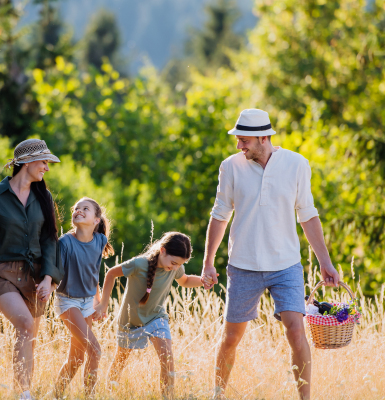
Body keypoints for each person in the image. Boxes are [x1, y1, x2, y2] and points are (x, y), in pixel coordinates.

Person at [201, 109, 340, 400]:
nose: (239, 146)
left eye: (244, 140)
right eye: (238, 140)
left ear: (264, 137)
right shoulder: (231, 167)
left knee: (295, 330)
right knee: (230, 339)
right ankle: (216, 395)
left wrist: (325, 263)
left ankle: (305, 398)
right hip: (243, 265)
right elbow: (219, 215)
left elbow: (308, 215)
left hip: (286, 265)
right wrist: (208, 262)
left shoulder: (297, 164)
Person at [0, 139, 63, 400]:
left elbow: (49, 240)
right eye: (43, 161)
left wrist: (47, 279)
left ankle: (23, 390)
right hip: (0, 272)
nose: (46, 167)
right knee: (23, 323)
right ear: (26, 162)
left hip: (34, 277)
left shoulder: (43, 197)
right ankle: (24, 394)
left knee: (29, 334)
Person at [95, 232, 204, 398]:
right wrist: (103, 304)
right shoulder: (139, 264)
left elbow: (185, 280)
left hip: (156, 318)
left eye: (179, 265)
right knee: (120, 360)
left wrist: (203, 281)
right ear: (162, 251)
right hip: (130, 320)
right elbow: (110, 274)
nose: (175, 268)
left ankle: (168, 397)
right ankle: (108, 394)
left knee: (167, 359)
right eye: (173, 263)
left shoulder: (175, 267)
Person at [53, 197, 115, 397]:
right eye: (76, 208)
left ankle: (55, 395)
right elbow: (55, 274)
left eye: (85, 209)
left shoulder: (100, 241)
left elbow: (93, 272)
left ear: (96, 220)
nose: (78, 210)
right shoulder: (65, 243)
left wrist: (97, 301)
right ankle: (90, 397)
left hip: (88, 301)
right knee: (95, 350)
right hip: (67, 301)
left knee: (77, 358)